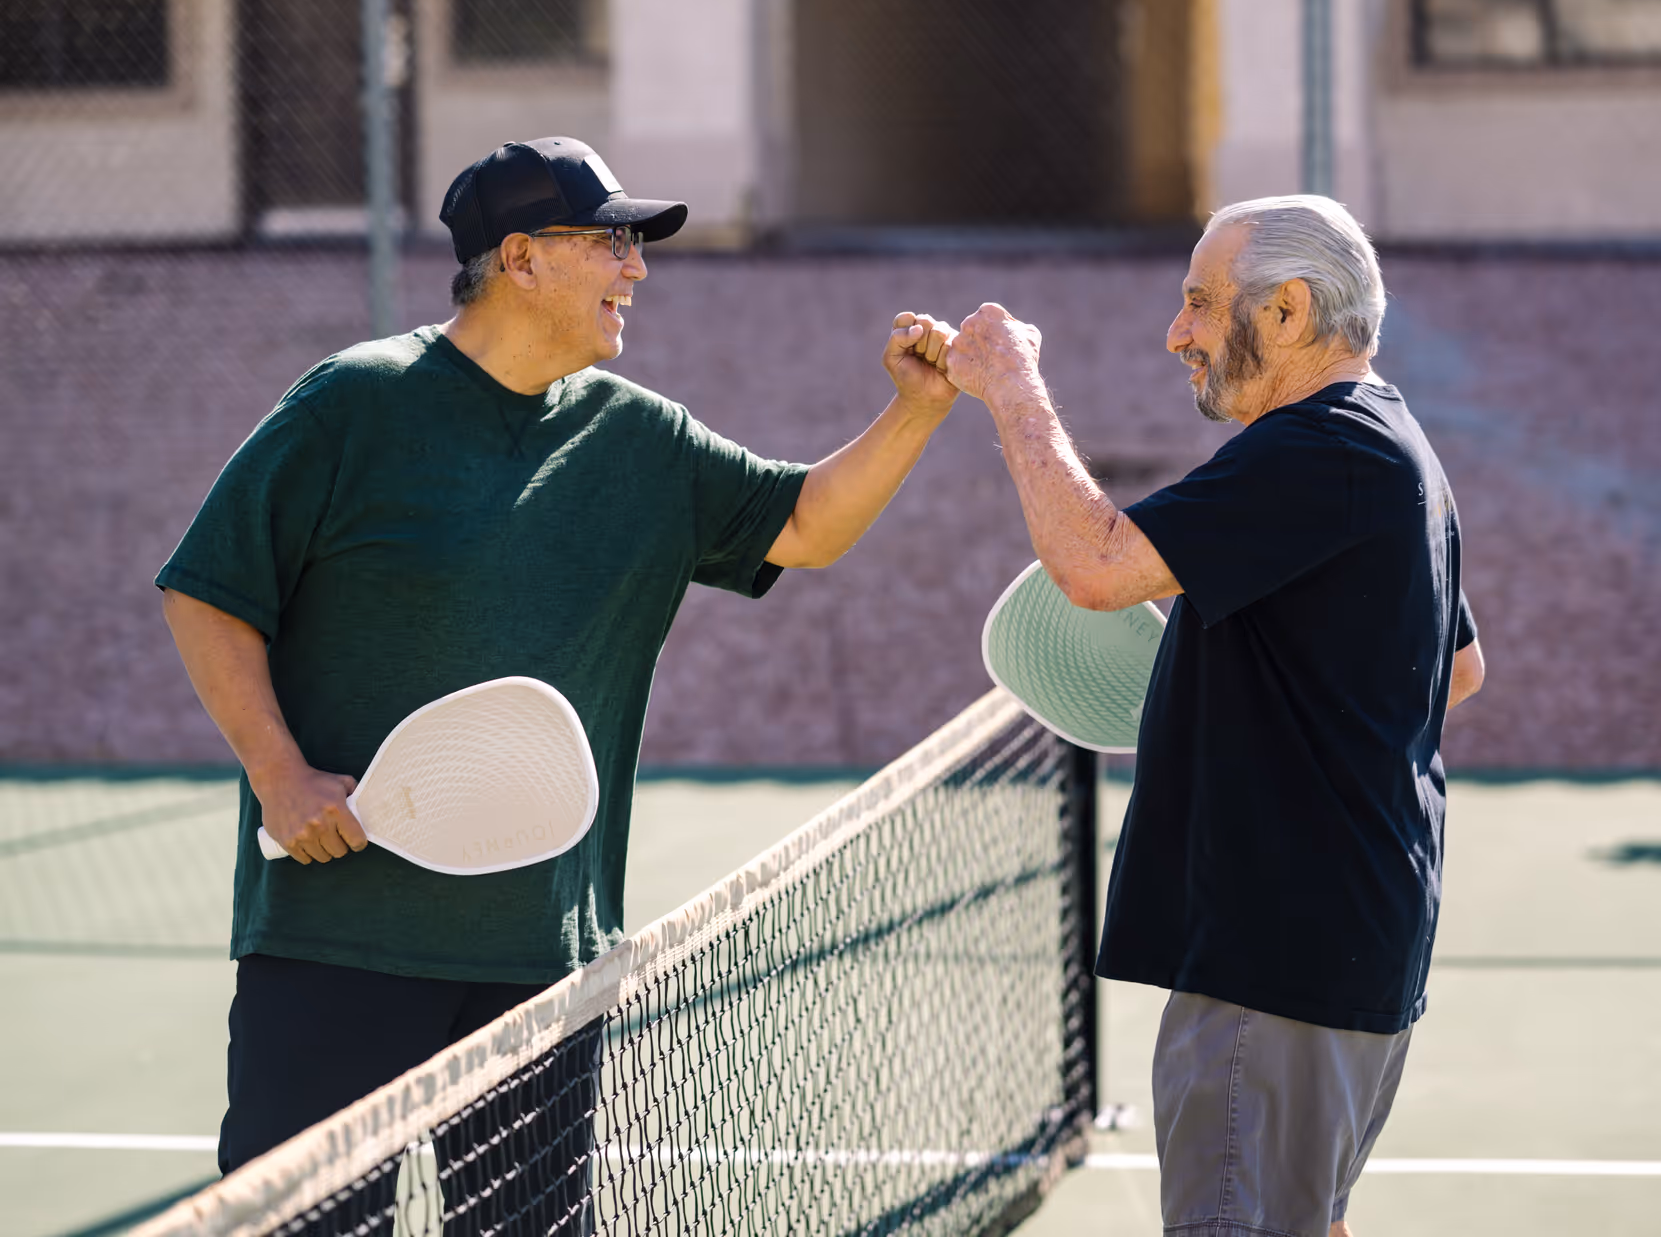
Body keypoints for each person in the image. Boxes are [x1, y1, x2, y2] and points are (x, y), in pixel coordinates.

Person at [157, 137, 960, 1212]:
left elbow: (805, 525)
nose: (637, 269)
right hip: (338, 946)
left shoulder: (640, 438)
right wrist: (280, 774)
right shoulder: (352, 404)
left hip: (541, 961)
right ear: (523, 258)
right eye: (613, 242)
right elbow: (208, 588)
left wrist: (916, 410)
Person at [929, 195, 1483, 1237]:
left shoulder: (1320, 451)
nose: (1176, 332)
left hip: (1273, 965)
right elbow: (1458, 670)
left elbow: (1094, 565)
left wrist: (1008, 382)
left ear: (1285, 312)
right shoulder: (1400, 449)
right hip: (1355, 953)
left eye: (1198, 302)